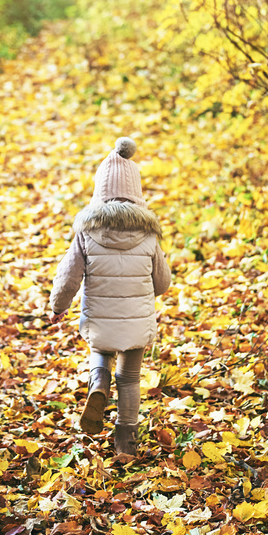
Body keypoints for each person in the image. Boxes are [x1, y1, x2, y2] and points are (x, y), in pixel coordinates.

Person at [49, 137, 171, 456]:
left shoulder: (87, 232)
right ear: (137, 191)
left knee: (100, 348)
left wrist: (57, 308)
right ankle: (125, 440)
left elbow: (68, 277)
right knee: (129, 378)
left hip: (100, 319)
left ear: (99, 191)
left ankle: (99, 382)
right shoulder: (148, 235)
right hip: (137, 323)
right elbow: (162, 283)